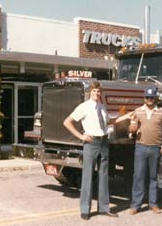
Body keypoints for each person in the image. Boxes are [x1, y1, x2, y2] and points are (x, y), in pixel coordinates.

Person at [63, 81, 118, 220]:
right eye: (94, 91)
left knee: (104, 176)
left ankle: (104, 208)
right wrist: (81, 136)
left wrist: (123, 117)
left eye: (98, 91)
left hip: (104, 142)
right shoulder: (84, 107)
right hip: (91, 143)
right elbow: (67, 122)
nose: (96, 93)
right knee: (87, 176)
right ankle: (85, 210)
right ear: (89, 92)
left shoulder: (102, 107)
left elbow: (107, 123)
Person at [129, 85, 162, 215]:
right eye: (147, 97)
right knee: (138, 176)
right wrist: (132, 129)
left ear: (155, 98)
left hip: (155, 148)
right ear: (144, 98)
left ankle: (153, 204)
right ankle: (136, 205)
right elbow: (132, 128)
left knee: (153, 177)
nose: (149, 100)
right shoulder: (137, 111)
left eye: (151, 97)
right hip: (141, 147)